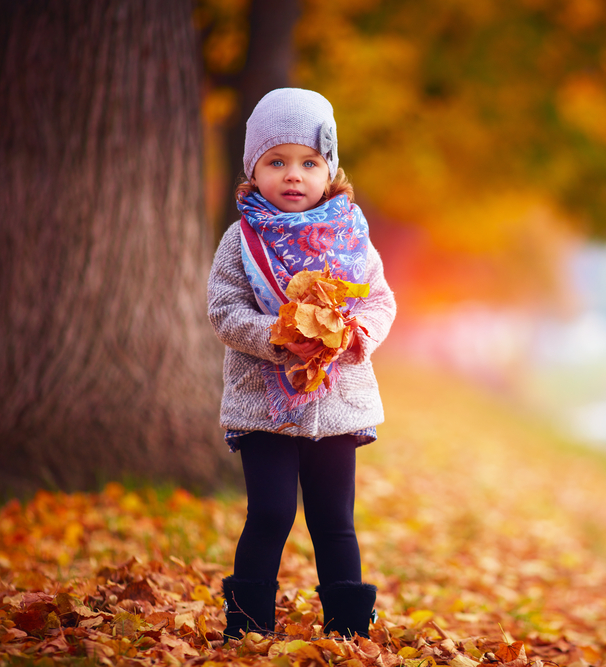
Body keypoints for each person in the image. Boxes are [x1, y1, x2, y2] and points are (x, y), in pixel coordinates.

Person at [207, 88, 397, 641]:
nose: (294, 175)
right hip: (263, 402)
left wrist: (356, 334)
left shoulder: (352, 237)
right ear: (254, 169)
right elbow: (223, 309)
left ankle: (349, 633)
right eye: (277, 162)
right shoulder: (242, 239)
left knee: (335, 523)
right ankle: (245, 630)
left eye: (309, 163)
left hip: (336, 405)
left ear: (329, 169)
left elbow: (379, 300)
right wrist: (277, 336)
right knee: (269, 514)